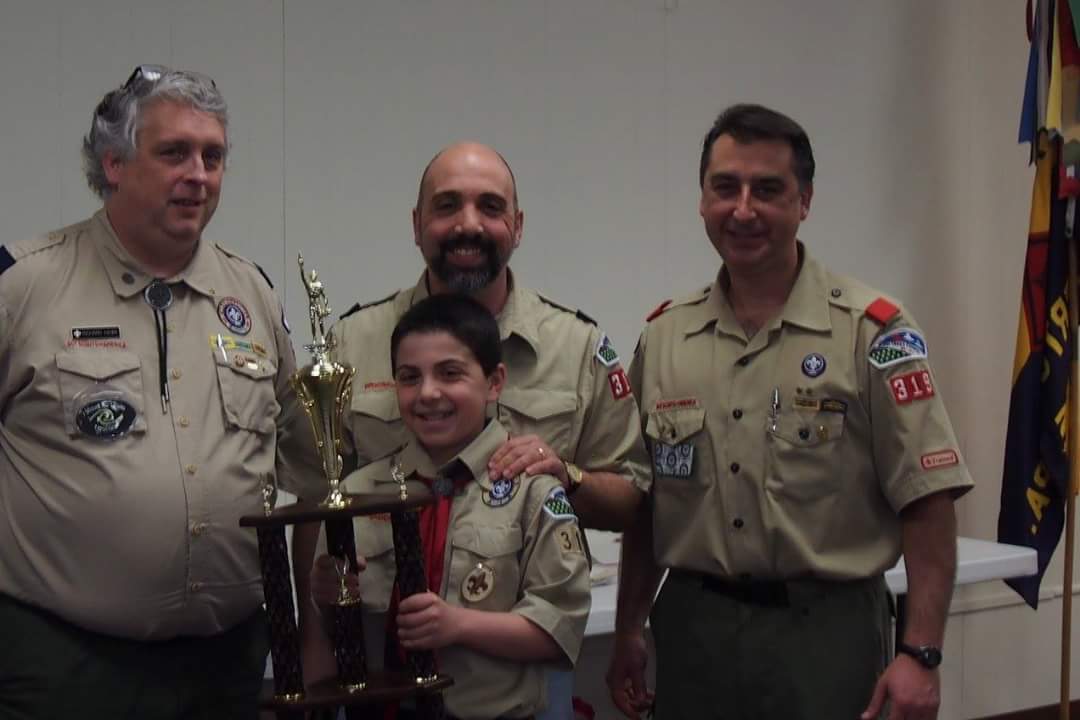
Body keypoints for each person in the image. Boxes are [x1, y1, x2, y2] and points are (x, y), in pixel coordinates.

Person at [606, 104, 974, 720]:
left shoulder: (871, 330)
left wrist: (922, 652)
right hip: (697, 631)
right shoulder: (664, 339)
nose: (743, 210)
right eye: (725, 187)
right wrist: (626, 629)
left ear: (804, 201)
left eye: (768, 190)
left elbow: (928, 501)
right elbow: (646, 508)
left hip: (826, 638)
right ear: (702, 200)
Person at [0, 65, 321, 719]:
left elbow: (314, 469)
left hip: (226, 663)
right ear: (113, 163)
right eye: (173, 152)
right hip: (64, 663)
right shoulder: (22, 284)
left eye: (213, 156)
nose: (198, 174)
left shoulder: (251, 293)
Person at [295, 141, 650, 709]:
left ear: (518, 224)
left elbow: (635, 497)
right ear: (416, 225)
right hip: (380, 681)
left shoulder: (576, 347)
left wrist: (567, 476)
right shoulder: (351, 344)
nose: (468, 225)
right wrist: (315, 644)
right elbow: (319, 500)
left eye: (490, 206)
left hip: (509, 687)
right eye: (446, 206)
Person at [310, 293, 591, 720]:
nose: (428, 393)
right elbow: (335, 627)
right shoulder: (358, 492)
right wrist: (327, 595)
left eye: (450, 373)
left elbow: (560, 628)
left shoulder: (531, 490)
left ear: (494, 381)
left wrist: (457, 625)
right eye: (409, 377)